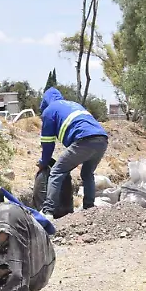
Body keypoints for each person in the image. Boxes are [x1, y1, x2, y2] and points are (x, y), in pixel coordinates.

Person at [37, 88, 109, 216]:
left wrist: (43, 162)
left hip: (84, 139)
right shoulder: (73, 104)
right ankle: (89, 208)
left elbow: (48, 144)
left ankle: (48, 211)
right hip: (102, 139)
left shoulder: (49, 111)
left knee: (57, 171)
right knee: (87, 173)